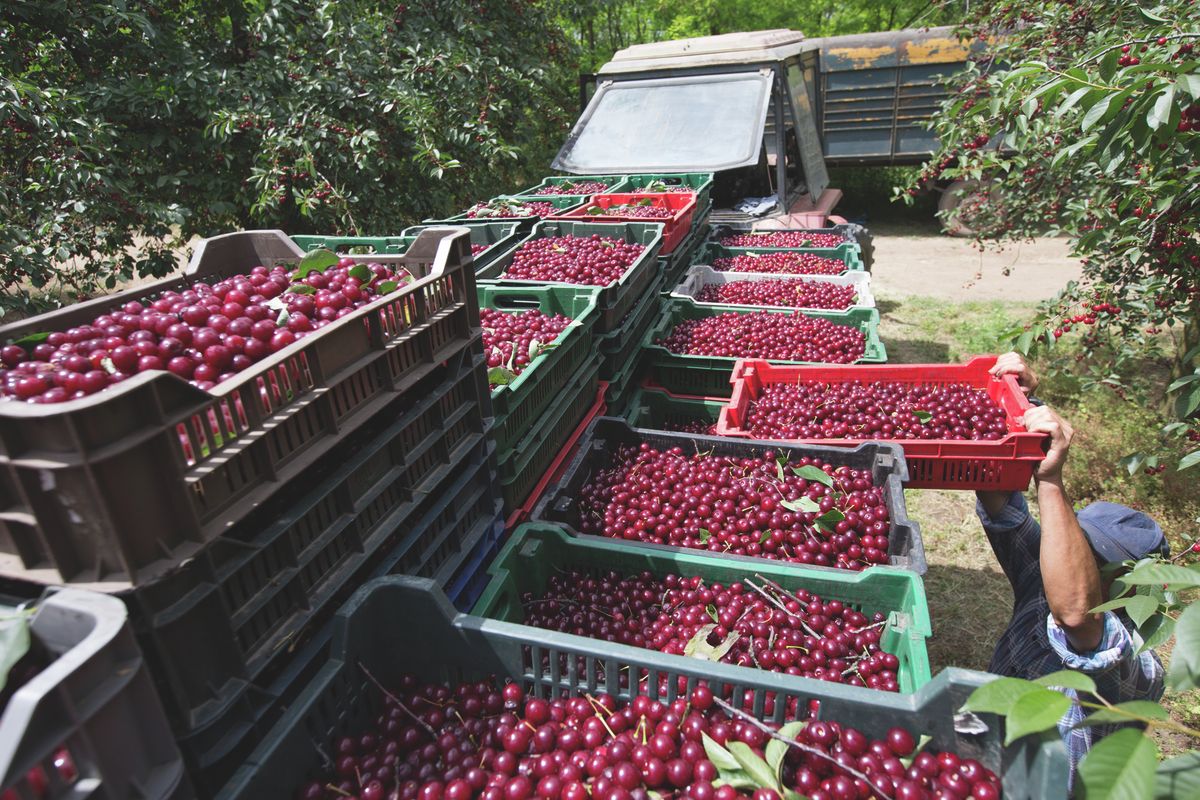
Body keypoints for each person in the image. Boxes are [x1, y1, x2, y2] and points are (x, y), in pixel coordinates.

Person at [976, 352, 1168, 776]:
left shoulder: (1137, 666)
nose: (1067, 561)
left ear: (1132, 589)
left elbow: (1077, 612)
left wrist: (1049, 481)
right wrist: (1018, 403)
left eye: (1092, 561)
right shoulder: (1040, 584)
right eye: (1076, 545)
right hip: (987, 763)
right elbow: (998, 499)